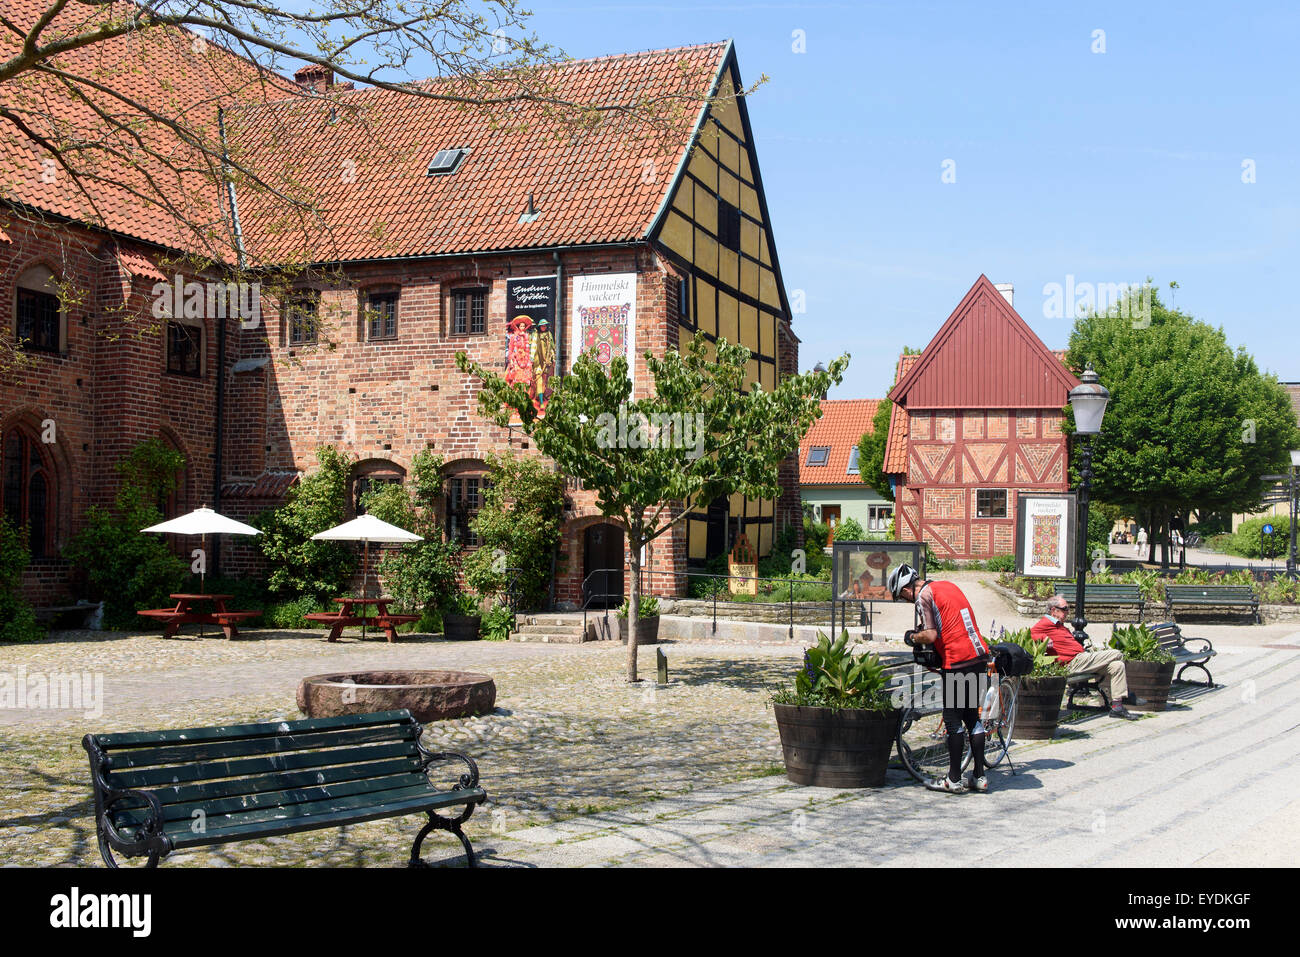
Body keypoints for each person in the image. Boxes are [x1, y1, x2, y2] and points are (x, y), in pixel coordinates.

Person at [888, 563, 991, 794]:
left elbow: (931, 634)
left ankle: (953, 780)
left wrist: (912, 637)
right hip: (978, 656)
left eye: (902, 598)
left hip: (957, 661)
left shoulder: (923, 596)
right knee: (972, 718)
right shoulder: (946, 585)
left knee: (953, 721)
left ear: (905, 590)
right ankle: (979, 777)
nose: (906, 602)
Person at [1030, 596, 1137, 719]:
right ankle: (1128, 696)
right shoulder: (1045, 623)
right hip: (1072, 662)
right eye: (1065, 608)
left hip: (1082, 660)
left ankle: (1117, 708)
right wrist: (1043, 638)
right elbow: (1030, 634)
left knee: (1117, 666)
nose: (1068, 611)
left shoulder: (1059, 625)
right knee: (1117, 653)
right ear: (1054, 610)